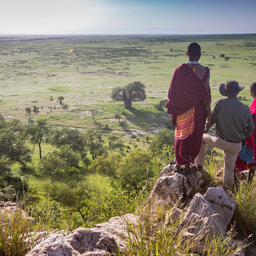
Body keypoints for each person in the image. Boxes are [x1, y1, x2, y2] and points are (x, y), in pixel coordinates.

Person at [195, 81, 254, 191]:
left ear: (226, 92)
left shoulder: (220, 103)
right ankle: (226, 194)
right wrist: (242, 136)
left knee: (202, 138)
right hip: (236, 145)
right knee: (229, 169)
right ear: (237, 92)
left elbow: (210, 120)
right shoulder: (245, 107)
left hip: (221, 141)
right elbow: (251, 128)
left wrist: (205, 129)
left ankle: (198, 165)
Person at [166, 42, 211, 172]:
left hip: (181, 110)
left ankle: (181, 162)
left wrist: (178, 105)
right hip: (197, 110)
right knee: (193, 136)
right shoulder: (205, 71)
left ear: (187, 54)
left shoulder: (179, 70)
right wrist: (208, 112)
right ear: (200, 55)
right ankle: (188, 163)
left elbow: (172, 93)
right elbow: (206, 94)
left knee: (182, 135)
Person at [235, 82, 256, 182]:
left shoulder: (253, 107)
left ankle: (231, 182)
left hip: (252, 141)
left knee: (235, 158)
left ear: (251, 92)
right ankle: (249, 180)